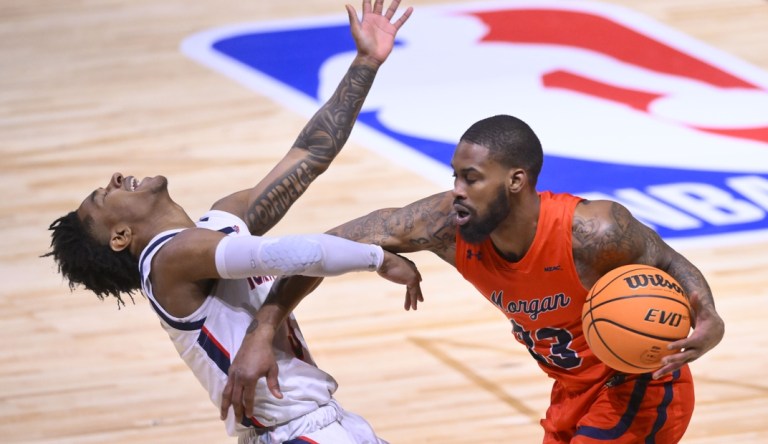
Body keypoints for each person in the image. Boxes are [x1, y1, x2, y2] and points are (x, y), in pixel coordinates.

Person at [44, 1, 421, 443]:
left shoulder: (219, 222)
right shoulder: (168, 261)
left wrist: (365, 63)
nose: (112, 180)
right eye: (103, 196)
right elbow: (294, 254)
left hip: (322, 424)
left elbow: (309, 154)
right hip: (292, 433)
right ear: (121, 236)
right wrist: (376, 257)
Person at [225, 114, 726, 443]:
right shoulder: (443, 225)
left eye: (471, 178)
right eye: (455, 176)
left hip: (639, 384)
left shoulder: (593, 230)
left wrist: (708, 317)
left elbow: (668, 261)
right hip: (571, 391)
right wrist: (262, 332)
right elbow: (319, 249)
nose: (457, 191)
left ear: (516, 181)